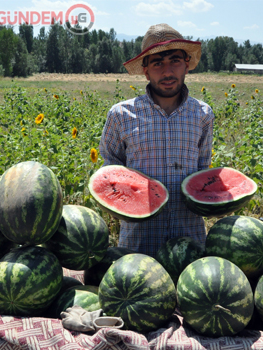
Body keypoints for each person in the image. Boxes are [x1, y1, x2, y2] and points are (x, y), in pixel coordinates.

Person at [98, 23, 213, 256]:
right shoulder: (121, 115)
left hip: (189, 246)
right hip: (138, 246)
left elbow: (204, 173)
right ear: (146, 70)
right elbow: (109, 172)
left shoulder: (202, 115)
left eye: (175, 61)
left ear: (187, 66)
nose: (167, 71)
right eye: (158, 63)